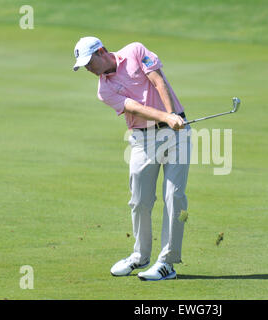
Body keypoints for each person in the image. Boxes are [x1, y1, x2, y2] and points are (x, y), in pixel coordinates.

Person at [72, 37, 192, 281]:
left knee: (174, 196)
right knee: (139, 200)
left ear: (101, 52)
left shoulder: (135, 51)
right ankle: (141, 255)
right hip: (142, 139)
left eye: (89, 62)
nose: (88, 69)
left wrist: (171, 116)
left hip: (176, 133)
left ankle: (167, 262)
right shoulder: (103, 89)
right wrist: (166, 118)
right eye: (83, 66)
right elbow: (134, 108)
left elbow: (157, 80)